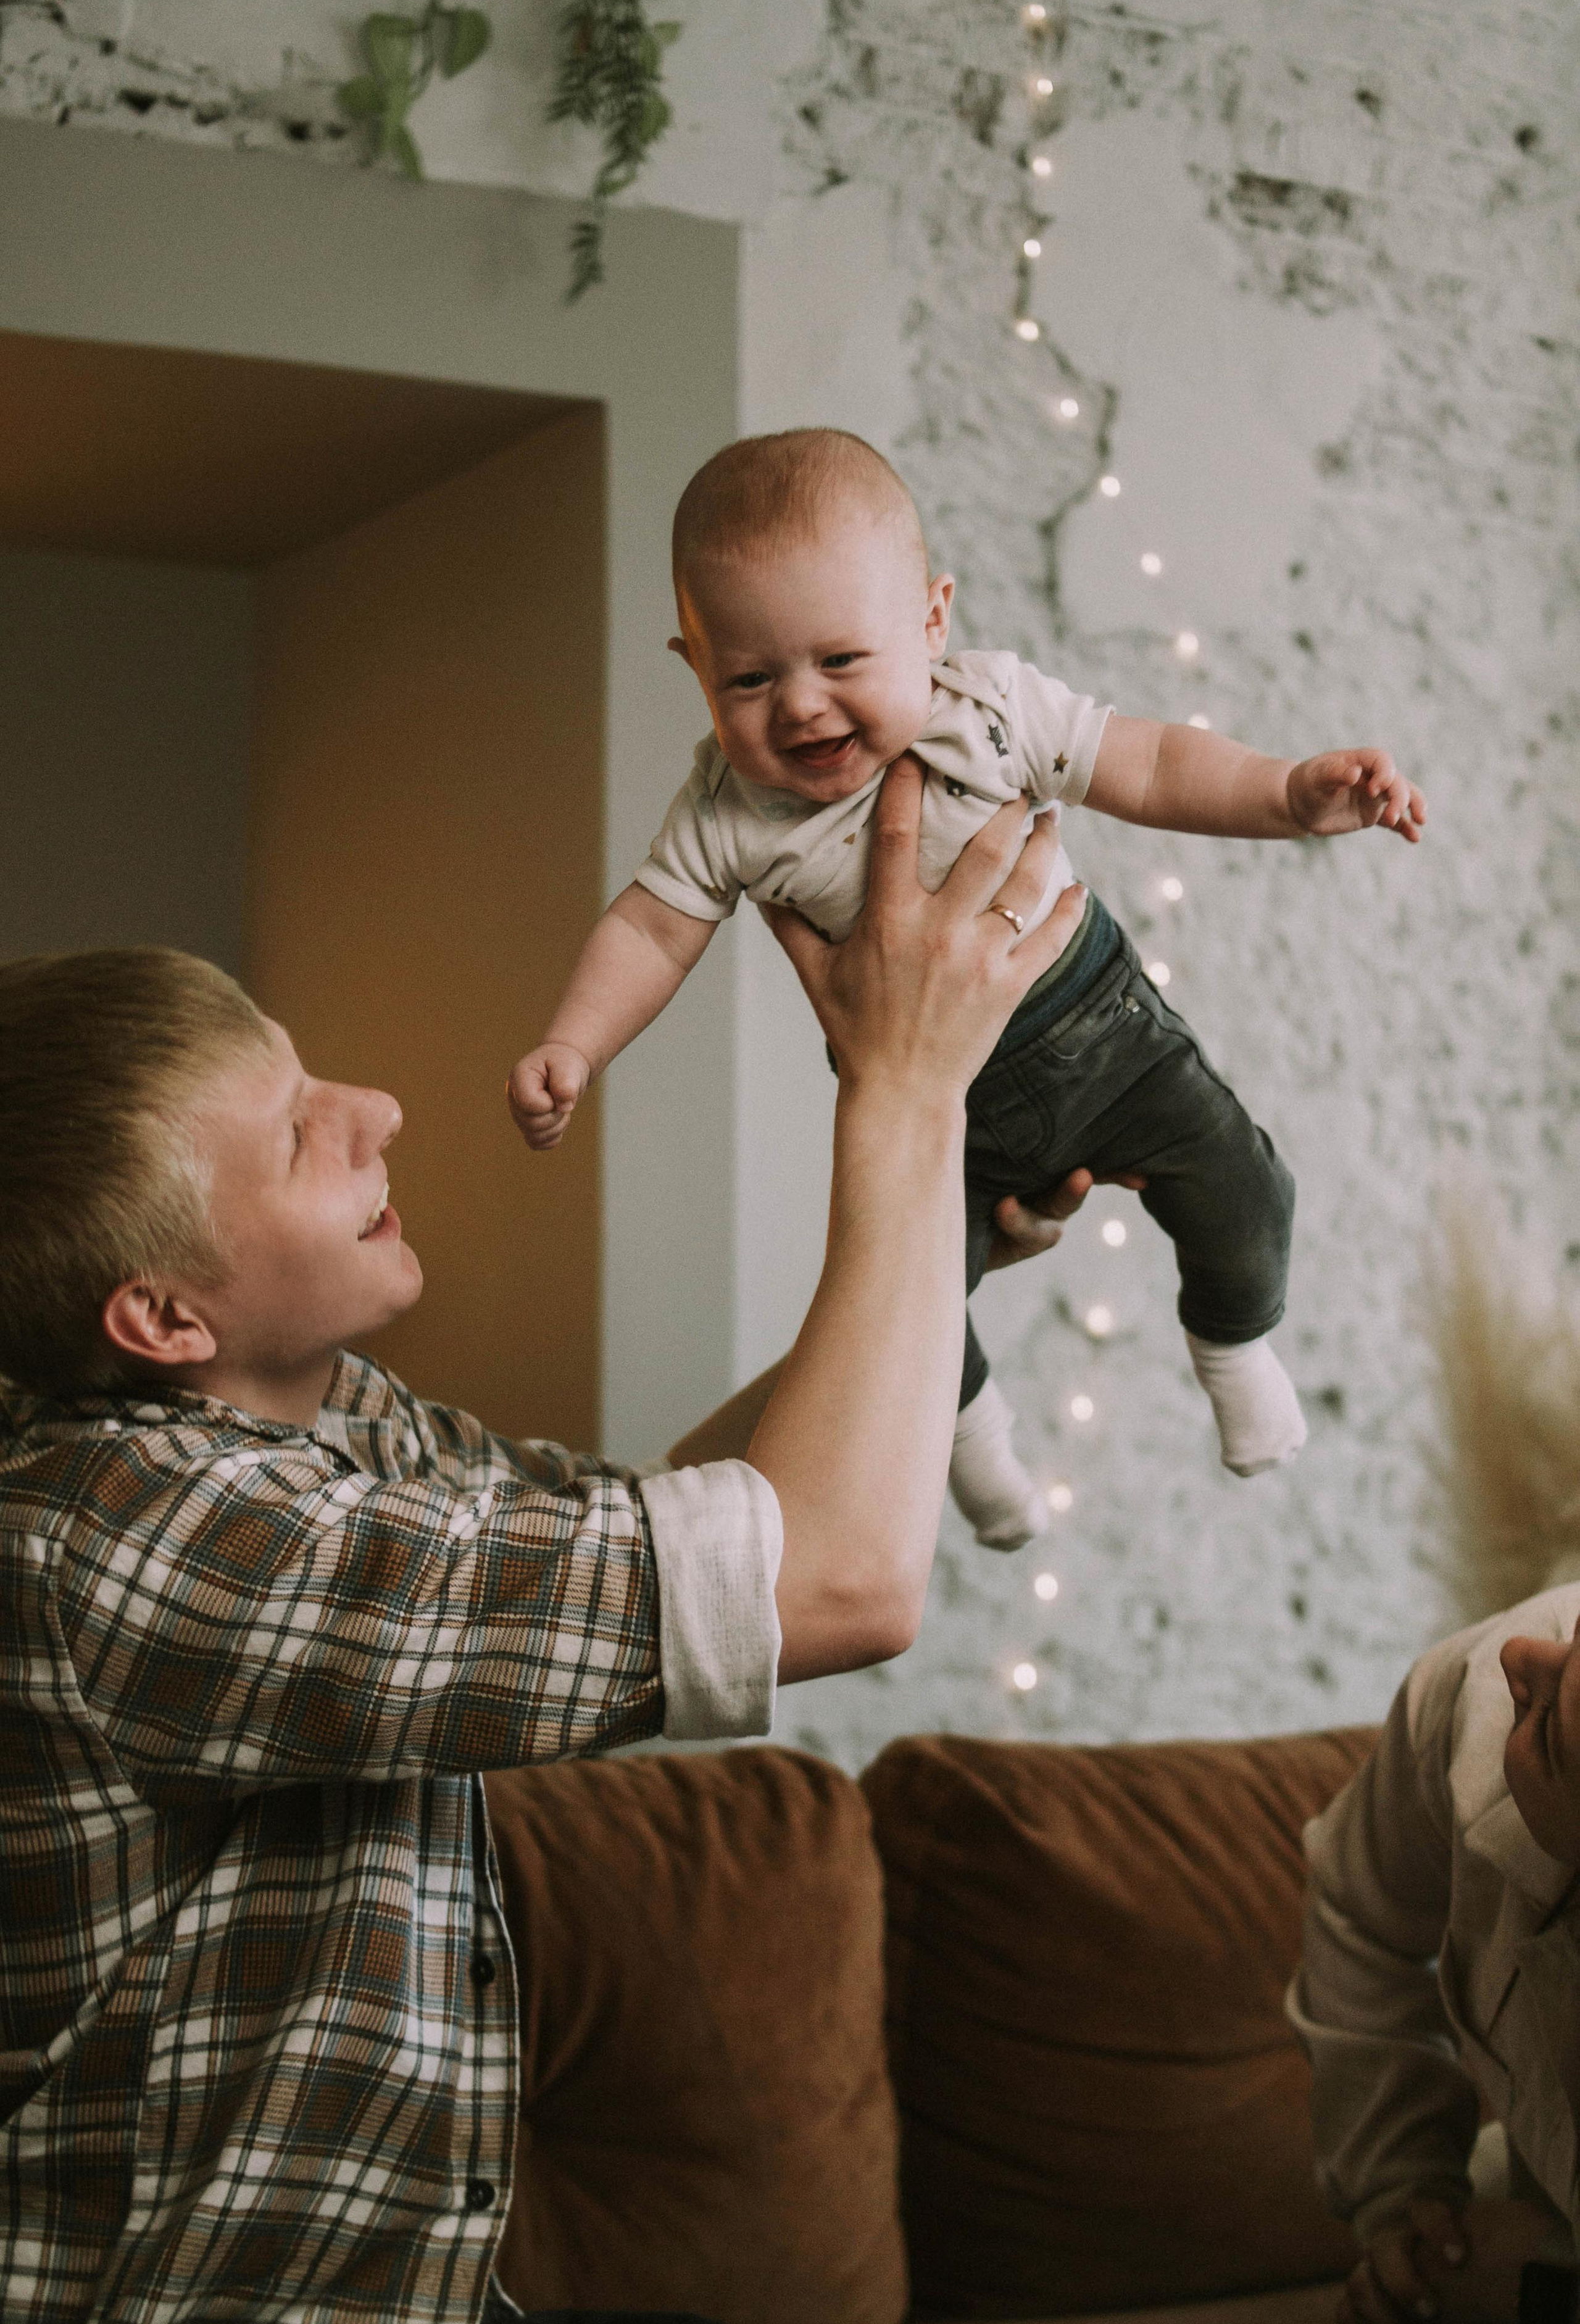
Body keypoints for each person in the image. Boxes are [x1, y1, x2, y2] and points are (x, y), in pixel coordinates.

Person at [0, 762, 1096, 2324]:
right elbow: (832, 1579)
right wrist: (903, 1091)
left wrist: (943, 1242)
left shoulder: (333, 1427)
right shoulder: (137, 1537)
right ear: (165, 1317)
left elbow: (659, 1531)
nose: (374, 1108)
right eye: (299, 1132)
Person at [508, 428, 1427, 1551]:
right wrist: (577, 1044)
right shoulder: (723, 813)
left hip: (1103, 1033)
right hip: (934, 1109)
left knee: (1247, 1188)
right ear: (693, 668)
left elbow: (1149, 762)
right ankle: (976, 1444)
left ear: (932, 622)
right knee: (909, 1313)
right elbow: (651, 930)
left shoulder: (987, 707)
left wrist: (1287, 794)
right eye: (749, 679)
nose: (798, 707)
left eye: (840, 661)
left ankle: (1233, 1348)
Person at [1289, 1585, 1580, 2324]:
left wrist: (1543, 2287)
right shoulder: (1479, 1691)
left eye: (1555, 1728)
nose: (1524, 1661)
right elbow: (1361, 1917)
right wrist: (1402, 2195)